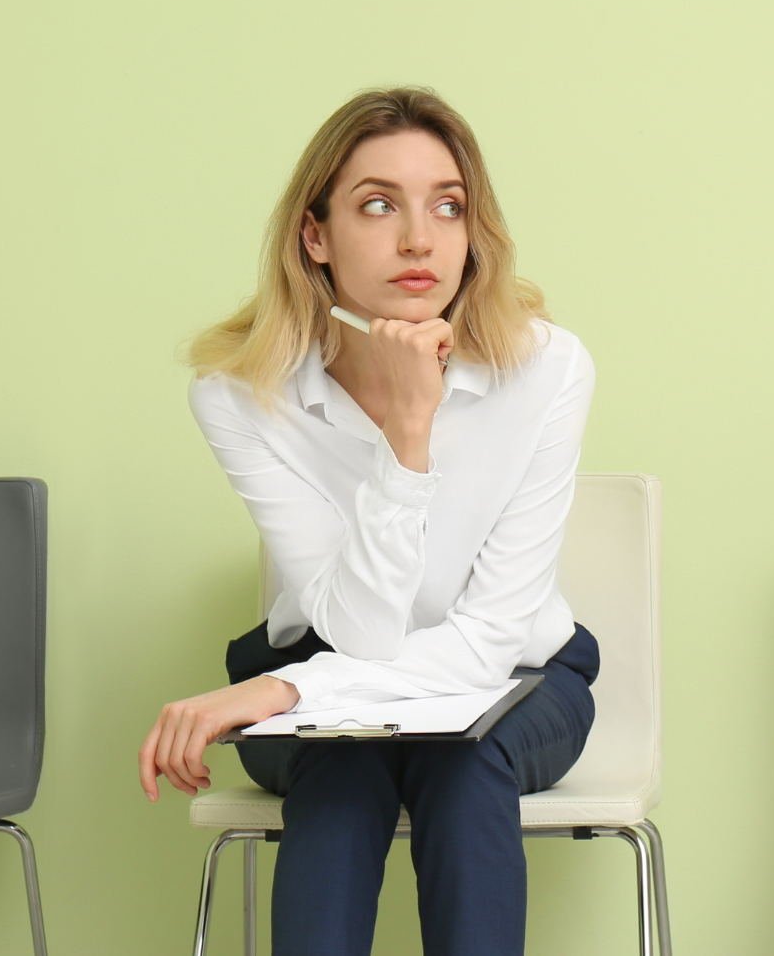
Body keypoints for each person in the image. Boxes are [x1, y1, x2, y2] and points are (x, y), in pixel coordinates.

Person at [139, 87, 598, 956]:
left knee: (463, 760)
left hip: (518, 678)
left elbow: (488, 640)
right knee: (344, 765)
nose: (419, 239)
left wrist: (282, 692)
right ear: (315, 236)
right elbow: (359, 629)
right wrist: (409, 437)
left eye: (448, 206)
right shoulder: (241, 395)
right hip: (329, 660)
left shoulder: (549, 369)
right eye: (378, 204)